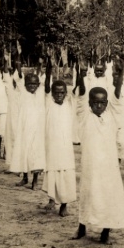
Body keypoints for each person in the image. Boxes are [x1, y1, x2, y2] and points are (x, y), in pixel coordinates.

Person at [71, 87, 124, 245]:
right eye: (95, 103)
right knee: (88, 196)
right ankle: (82, 228)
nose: (99, 106)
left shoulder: (112, 116)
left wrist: (121, 75)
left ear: (107, 103)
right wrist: (81, 74)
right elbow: (80, 98)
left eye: (103, 103)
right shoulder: (84, 116)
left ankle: (105, 233)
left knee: (108, 197)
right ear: (90, 103)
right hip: (91, 167)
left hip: (109, 167)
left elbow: (117, 97)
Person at [42, 54, 81, 217]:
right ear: (52, 93)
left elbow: (79, 90)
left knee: (65, 173)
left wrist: (80, 72)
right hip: (51, 146)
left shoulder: (70, 103)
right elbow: (45, 87)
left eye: (62, 92)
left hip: (65, 148)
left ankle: (64, 205)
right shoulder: (48, 103)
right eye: (56, 92)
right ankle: (52, 199)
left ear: (66, 92)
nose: (59, 94)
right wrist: (49, 68)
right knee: (51, 172)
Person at [9, 70, 46, 190]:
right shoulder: (23, 93)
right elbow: (19, 76)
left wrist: (49, 65)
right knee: (24, 153)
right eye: (29, 84)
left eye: (35, 84)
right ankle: (25, 177)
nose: (32, 86)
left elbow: (48, 80)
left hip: (38, 130)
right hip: (24, 130)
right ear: (25, 85)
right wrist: (18, 55)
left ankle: (35, 180)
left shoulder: (41, 93)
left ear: (38, 85)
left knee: (36, 154)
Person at [106, 54, 124, 164]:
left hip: (123, 123)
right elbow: (118, 88)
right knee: (112, 144)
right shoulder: (112, 90)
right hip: (112, 123)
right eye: (114, 77)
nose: (117, 79)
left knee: (122, 144)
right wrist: (121, 71)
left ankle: (118, 162)